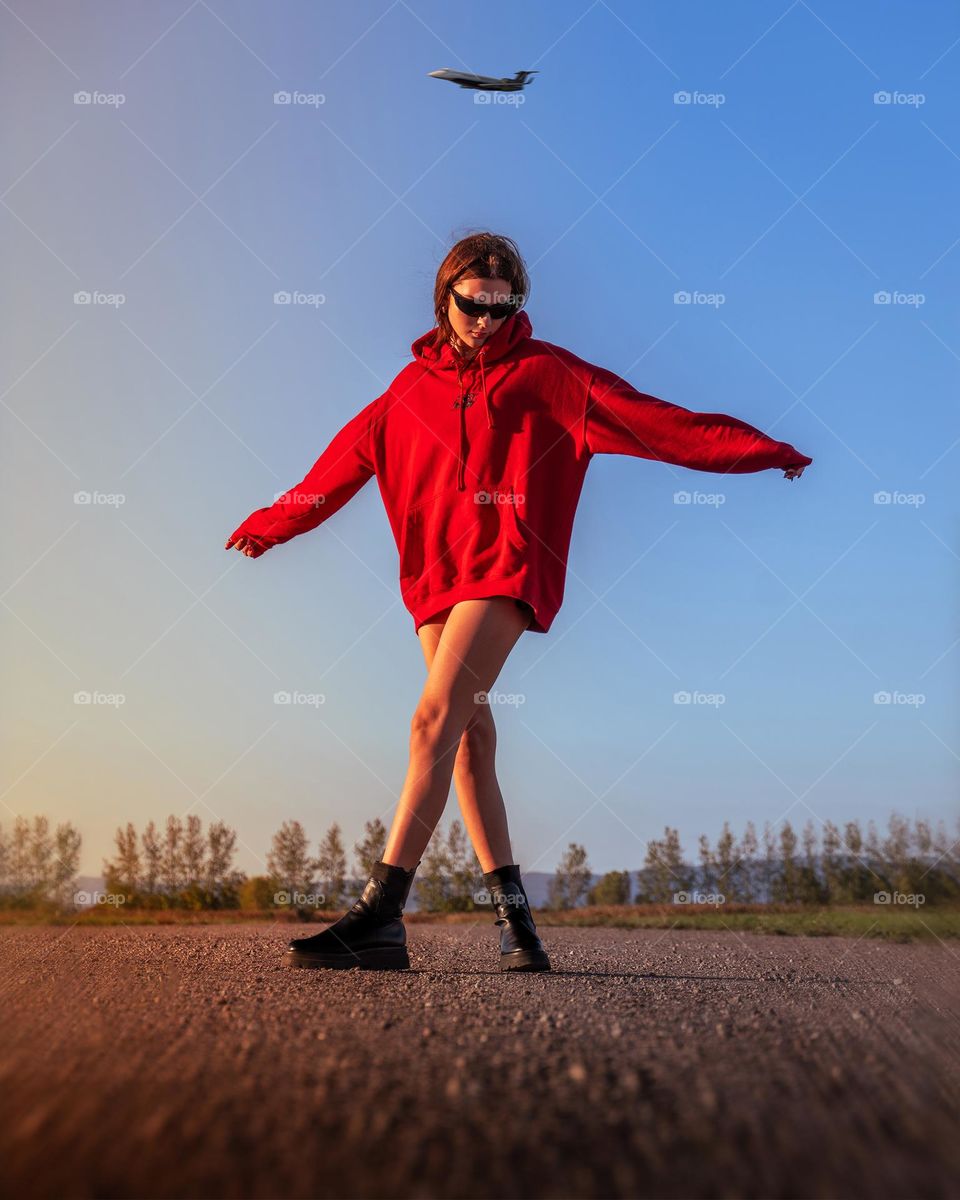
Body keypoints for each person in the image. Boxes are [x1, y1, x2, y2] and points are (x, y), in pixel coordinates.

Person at [225, 231, 812, 974]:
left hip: (506, 569)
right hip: (434, 585)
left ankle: (380, 913)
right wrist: (272, 525)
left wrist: (763, 449)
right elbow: (334, 470)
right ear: (445, 299)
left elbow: (658, 422)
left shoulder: (550, 374)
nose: (488, 322)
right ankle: (516, 925)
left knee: (431, 719)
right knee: (465, 741)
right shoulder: (404, 395)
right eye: (473, 306)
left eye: (505, 308)